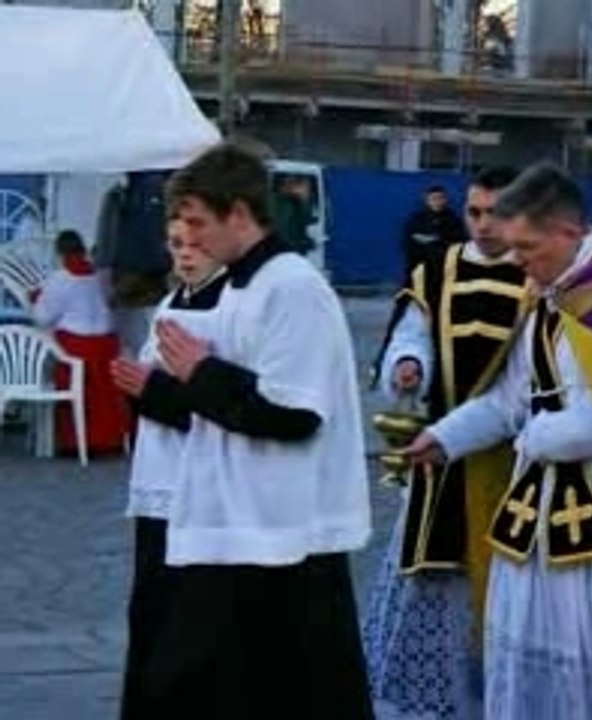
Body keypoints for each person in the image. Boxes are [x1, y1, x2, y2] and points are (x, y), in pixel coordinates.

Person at [404, 163, 592, 720]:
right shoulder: (547, 292)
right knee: (519, 659)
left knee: (590, 668)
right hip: (530, 511)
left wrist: (535, 438)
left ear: (568, 233)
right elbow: (510, 397)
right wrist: (445, 437)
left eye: (527, 247)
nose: (517, 261)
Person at [110, 143, 373, 719]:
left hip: (278, 529)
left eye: (201, 223)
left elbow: (293, 414)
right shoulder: (233, 287)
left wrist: (199, 372)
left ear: (240, 214)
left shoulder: (292, 287)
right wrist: (165, 387)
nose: (192, 240)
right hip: (224, 517)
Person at [363, 166, 530, 720]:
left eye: (497, 214)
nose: (483, 225)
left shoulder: (539, 278)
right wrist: (409, 366)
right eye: (475, 213)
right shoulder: (438, 271)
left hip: (519, 459)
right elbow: (412, 333)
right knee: (435, 578)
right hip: (443, 452)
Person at [113, 218, 229, 717]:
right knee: (150, 615)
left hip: (196, 487)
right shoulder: (170, 302)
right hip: (154, 485)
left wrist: (152, 391)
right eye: (175, 244)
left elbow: (218, 403)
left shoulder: (228, 309)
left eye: (195, 243)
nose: (184, 254)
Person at [32, 229, 128, 455]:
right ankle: (111, 441)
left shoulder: (60, 279)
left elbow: (43, 317)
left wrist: (36, 298)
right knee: (107, 396)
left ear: (59, 253)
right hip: (107, 345)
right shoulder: (100, 276)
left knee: (71, 387)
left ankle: (74, 443)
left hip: (77, 346)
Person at [402, 185, 468, 275]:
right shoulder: (417, 220)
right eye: (434, 199)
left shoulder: (453, 219)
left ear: (446, 200)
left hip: (446, 266)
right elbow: (409, 243)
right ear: (427, 201)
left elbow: (461, 241)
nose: (437, 202)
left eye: (441, 198)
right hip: (421, 266)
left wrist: (439, 239)